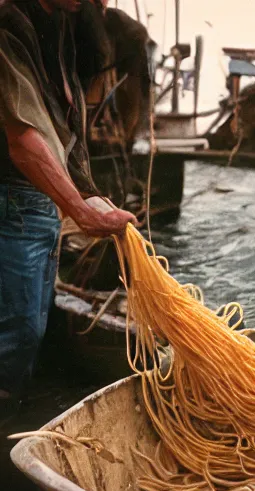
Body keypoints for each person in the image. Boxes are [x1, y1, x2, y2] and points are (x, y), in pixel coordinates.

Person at [1, 0, 137, 413]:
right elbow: (23, 140)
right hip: (14, 205)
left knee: (30, 331)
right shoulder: (8, 28)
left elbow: (62, 135)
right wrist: (79, 209)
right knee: (16, 335)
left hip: (40, 207)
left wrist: (91, 194)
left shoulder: (58, 28)